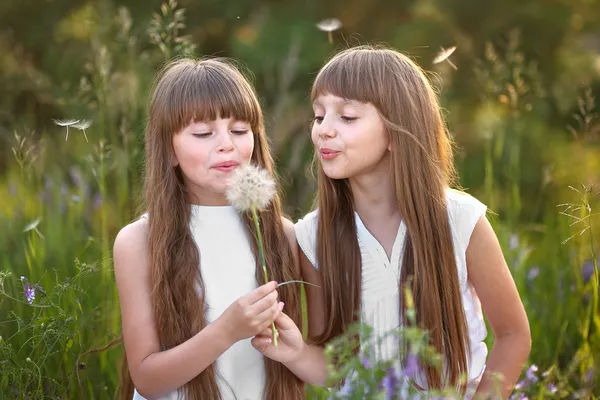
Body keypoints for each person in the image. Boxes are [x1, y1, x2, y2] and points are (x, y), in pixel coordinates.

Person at [292, 45, 532, 399]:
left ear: (396, 129)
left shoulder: (461, 220)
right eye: (318, 116)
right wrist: (291, 349)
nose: (324, 130)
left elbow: (513, 335)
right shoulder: (312, 236)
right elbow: (335, 365)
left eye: (347, 117)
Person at [113, 58, 308, 400]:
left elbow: (304, 365)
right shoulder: (139, 241)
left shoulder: (282, 235)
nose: (226, 144)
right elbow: (146, 378)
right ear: (168, 149)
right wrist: (227, 330)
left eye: (239, 130)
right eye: (203, 133)